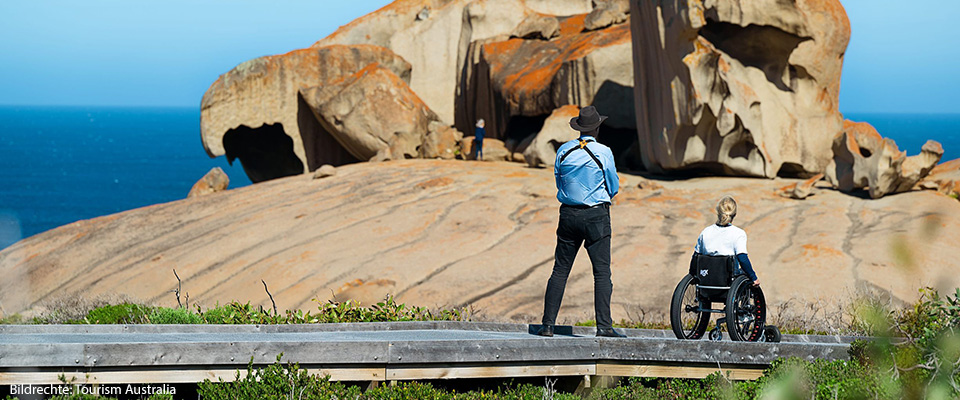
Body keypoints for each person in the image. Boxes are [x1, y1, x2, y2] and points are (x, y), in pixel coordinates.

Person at [535, 106, 624, 338]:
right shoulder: (604, 152)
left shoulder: (563, 150)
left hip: (568, 215)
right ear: (596, 128)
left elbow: (558, 182)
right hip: (596, 215)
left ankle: (547, 326)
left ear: (578, 128)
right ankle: (604, 327)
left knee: (560, 270)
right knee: (602, 273)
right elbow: (613, 186)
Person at [692, 196, 759, 287]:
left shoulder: (705, 232)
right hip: (728, 281)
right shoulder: (738, 233)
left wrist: (692, 276)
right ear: (734, 214)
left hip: (706, 279)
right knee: (745, 273)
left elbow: (695, 257)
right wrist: (753, 277)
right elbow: (742, 258)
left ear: (718, 212)